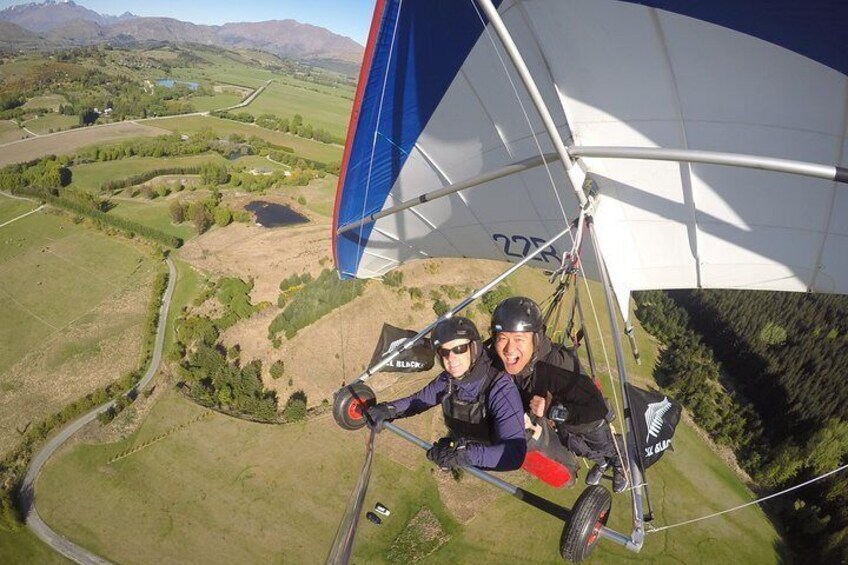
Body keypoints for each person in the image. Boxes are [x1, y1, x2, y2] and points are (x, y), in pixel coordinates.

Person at [491, 296, 628, 493]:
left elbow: (596, 409)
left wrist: (552, 409)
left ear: (535, 339)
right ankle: (602, 463)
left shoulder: (557, 365)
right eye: (502, 338)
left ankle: (620, 463)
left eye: (519, 339)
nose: (509, 349)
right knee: (581, 449)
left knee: (603, 446)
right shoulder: (515, 362)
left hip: (588, 422)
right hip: (563, 426)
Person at [366, 317, 526, 472]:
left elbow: (514, 455)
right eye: (444, 352)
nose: (451, 358)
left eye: (459, 349)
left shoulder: (500, 388)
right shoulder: (448, 380)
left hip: (490, 454)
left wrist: (463, 455)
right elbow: (419, 400)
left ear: (474, 348)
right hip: (463, 446)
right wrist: (389, 409)